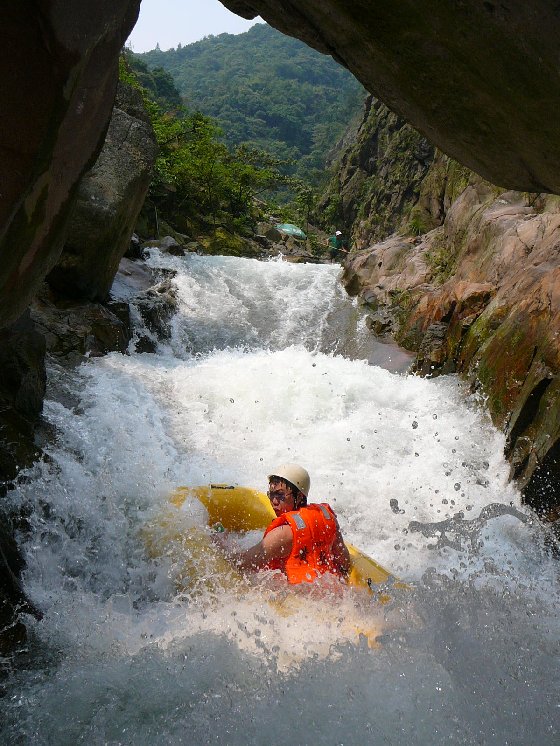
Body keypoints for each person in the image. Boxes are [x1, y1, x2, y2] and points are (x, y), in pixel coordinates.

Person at [221, 464, 350, 584]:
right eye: (271, 494)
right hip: (331, 590)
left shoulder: (283, 534)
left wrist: (222, 546)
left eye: (280, 495)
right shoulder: (328, 518)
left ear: (299, 497)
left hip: (299, 600)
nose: (274, 501)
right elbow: (344, 562)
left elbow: (241, 564)